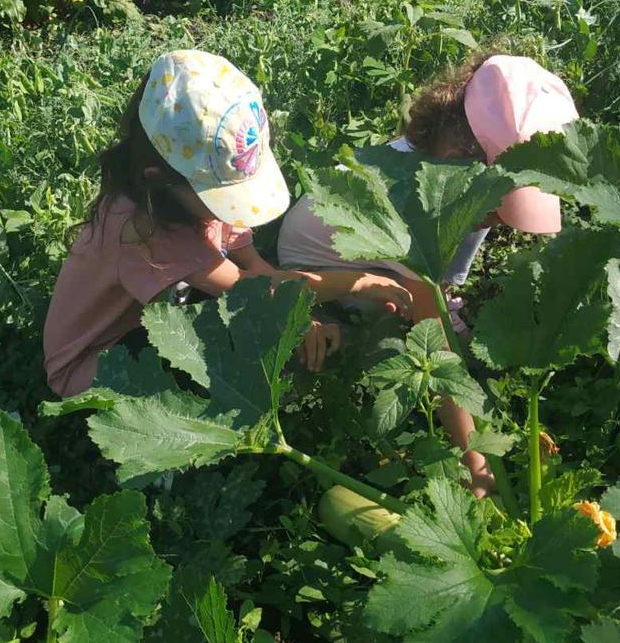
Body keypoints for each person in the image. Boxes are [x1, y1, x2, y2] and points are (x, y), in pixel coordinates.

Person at [276, 53, 579, 497]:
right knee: (396, 345)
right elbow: (431, 338)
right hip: (320, 275)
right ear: (459, 161)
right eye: (498, 208)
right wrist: (474, 463)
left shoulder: (455, 182)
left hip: (379, 266)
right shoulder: (411, 202)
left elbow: (445, 281)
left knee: (447, 330)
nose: (494, 221)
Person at [43, 49, 413, 398]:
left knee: (255, 325)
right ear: (158, 180)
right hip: (96, 359)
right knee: (227, 359)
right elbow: (254, 288)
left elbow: (253, 265)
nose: (230, 211)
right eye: (221, 197)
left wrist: (302, 319)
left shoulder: (188, 197)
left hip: (167, 303)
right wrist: (357, 281)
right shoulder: (142, 230)